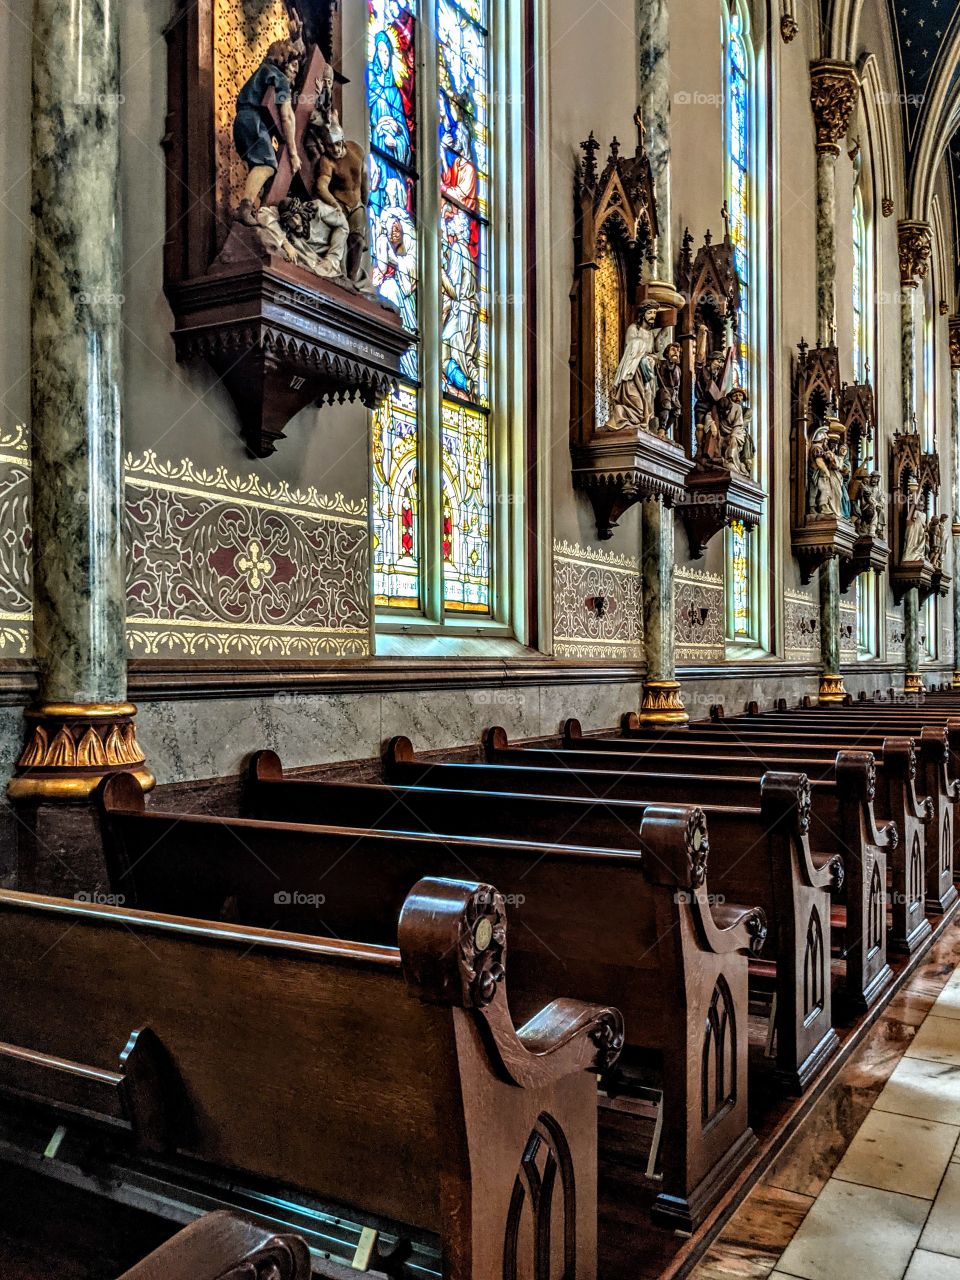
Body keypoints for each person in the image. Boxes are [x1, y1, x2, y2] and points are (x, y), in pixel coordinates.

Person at [233, 18, 305, 226]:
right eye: (293, 65)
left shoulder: (264, 70)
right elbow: (287, 116)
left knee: (263, 163)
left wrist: (297, 38)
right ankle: (245, 208)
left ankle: (258, 208)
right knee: (267, 165)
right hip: (254, 122)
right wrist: (293, 153)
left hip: (243, 121)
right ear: (283, 60)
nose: (295, 71)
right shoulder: (278, 78)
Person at [604, 302, 668, 433]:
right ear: (643, 314)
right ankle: (623, 416)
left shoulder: (650, 334)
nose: (653, 316)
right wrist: (644, 354)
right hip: (633, 371)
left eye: (655, 313)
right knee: (637, 404)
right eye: (650, 312)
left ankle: (645, 423)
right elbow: (631, 348)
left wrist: (664, 330)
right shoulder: (634, 329)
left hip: (646, 373)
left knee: (648, 398)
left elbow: (656, 349)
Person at [368, 30, 412, 167]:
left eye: (387, 53)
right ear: (376, 52)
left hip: (391, 147)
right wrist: (378, 128)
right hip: (373, 144)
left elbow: (402, 129)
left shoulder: (394, 93)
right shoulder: (368, 80)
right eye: (381, 51)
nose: (384, 57)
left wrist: (396, 135)